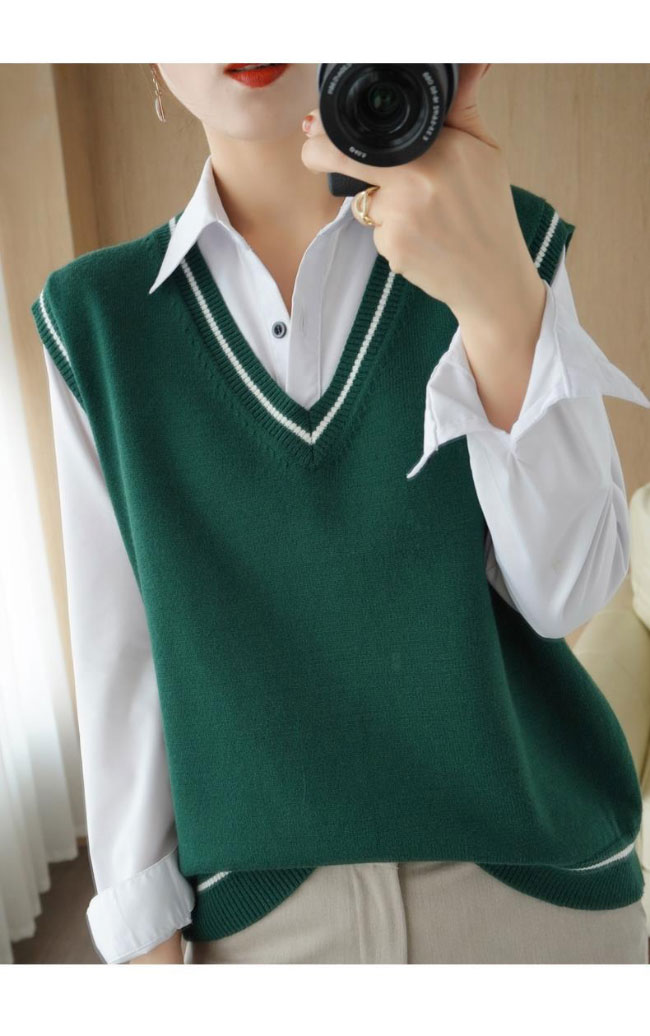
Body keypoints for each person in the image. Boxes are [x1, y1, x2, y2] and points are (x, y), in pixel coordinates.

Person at [33, 63, 650, 965]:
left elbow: (570, 594)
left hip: (538, 897)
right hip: (267, 926)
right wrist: (147, 952)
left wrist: (497, 298)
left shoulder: (499, 233)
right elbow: (121, 663)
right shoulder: (96, 319)